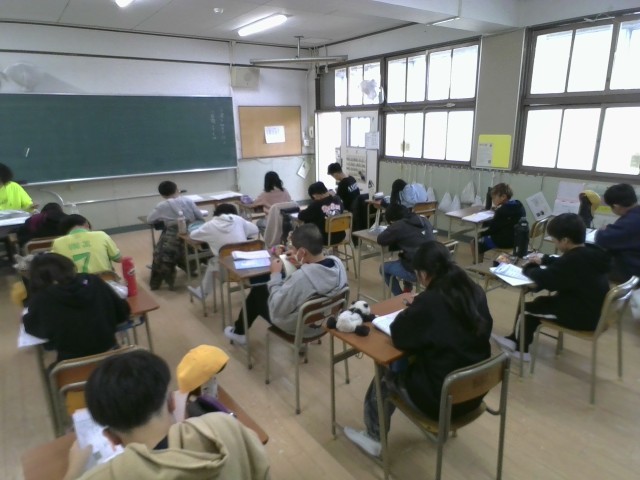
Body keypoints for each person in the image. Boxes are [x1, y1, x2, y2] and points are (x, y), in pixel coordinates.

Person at [344, 241, 493, 457]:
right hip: (475, 390)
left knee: (386, 369)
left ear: (422, 274)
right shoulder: (474, 291)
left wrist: (412, 312)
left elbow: (399, 335)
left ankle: (373, 436)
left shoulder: (430, 301)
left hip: (442, 400)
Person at [62, 350, 270, 480]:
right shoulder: (224, 426)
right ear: (171, 402)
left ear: (111, 437)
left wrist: (73, 472)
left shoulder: (106, 475)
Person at [494, 213, 611, 360]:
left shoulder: (573, 261)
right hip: (593, 309)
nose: (555, 244)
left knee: (527, 309)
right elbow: (563, 263)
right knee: (539, 303)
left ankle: (521, 351)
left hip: (583, 317)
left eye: (555, 241)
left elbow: (547, 280)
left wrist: (529, 267)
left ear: (565, 240)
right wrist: (545, 259)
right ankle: (515, 339)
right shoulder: (589, 252)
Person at [223, 224, 347, 345]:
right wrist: (302, 264)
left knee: (258, 291)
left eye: (294, 249)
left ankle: (239, 332)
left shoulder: (300, 279)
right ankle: (239, 331)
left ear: (302, 252)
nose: (292, 251)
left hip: (299, 328)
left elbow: (277, 308)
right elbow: (318, 278)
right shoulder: (338, 264)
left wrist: (275, 274)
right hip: (325, 323)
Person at [22, 253, 130, 363]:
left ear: (37, 278)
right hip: (112, 358)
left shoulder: (42, 298)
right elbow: (122, 312)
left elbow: (36, 330)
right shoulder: (93, 281)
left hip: (71, 365)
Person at [187, 203, 259, 300]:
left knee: (214, 261)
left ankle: (203, 292)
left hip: (227, 271)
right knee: (218, 260)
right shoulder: (238, 219)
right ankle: (203, 291)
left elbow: (193, 235)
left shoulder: (209, 225)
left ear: (215, 213)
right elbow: (255, 229)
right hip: (247, 266)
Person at [147, 181, 204, 290]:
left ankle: (159, 283)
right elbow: (200, 217)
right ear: (177, 189)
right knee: (185, 248)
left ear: (162, 195)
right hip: (191, 233)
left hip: (172, 237)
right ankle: (191, 268)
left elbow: (150, 220)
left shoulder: (162, 206)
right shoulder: (188, 200)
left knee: (162, 251)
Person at [377, 203, 435, 295]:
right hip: (434, 268)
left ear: (392, 221)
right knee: (406, 256)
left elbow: (381, 239)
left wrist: (392, 229)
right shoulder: (424, 220)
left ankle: (400, 297)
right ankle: (407, 289)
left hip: (417, 272)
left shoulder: (399, 225)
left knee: (383, 268)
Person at [595, 183, 640, 283]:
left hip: (632, 272)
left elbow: (602, 239)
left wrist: (603, 230)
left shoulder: (630, 222)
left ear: (616, 206)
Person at [471, 183, 526, 262]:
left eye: (494, 198)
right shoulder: (519, 205)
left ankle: (477, 265)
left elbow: (492, 229)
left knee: (475, 241)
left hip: (505, 241)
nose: (493, 200)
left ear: (503, 197)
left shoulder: (501, 211)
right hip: (519, 239)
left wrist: (481, 234)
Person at [52, 214, 122, 274]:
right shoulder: (101, 235)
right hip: (105, 280)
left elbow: (55, 266)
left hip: (76, 283)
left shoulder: (57, 242)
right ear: (86, 224)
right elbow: (118, 259)